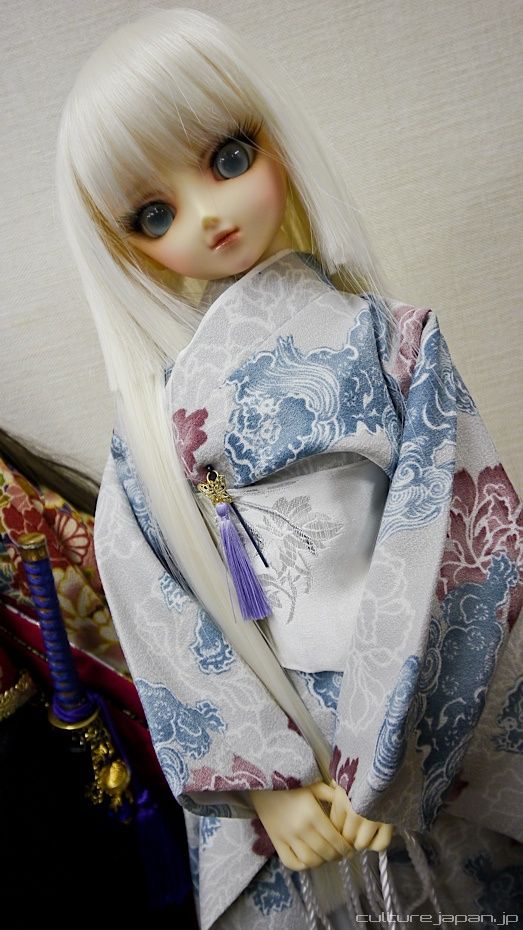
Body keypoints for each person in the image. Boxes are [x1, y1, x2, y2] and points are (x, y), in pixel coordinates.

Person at [55, 8, 523, 928]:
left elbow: (462, 542)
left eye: (228, 157)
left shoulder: (393, 342)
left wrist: (391, 750)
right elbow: (153, 600)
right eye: (154, 214)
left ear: (275, 139)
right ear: (123, 245)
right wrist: (261, 782)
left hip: (414, 701)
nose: (208, 214)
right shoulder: (151, 424)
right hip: (284, 739)